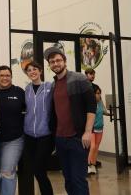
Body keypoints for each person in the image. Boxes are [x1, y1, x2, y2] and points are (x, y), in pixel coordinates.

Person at [45, 46, 96, 195]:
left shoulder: (79, 78)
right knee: (67, 178)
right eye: (52, 61)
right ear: (49, 65)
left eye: (58, 60)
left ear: (65, 61)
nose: (56, 64)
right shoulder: (53, 85)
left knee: (78, 179)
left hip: (78, 138)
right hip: (60, 139)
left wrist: (87, 132)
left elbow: (91, 106)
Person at [0, 65, 25, 195]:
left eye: (7, 75)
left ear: (11, 77)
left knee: (7, 172)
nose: (5, 78)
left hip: (14, 139)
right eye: (2, 75)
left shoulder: (19, 92)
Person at [23, 61, 54, 195]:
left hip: (45, 135)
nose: (32, 72)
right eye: (29, 70)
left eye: (35, 69)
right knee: (35, 170)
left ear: (40, 71)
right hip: (29, 136)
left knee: (39, 170)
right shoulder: (27, 90)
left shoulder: (49, 87)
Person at [87, 85, 110, 175]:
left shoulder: (100, 102)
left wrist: (111, 114)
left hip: (100, 128)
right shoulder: (90, 103)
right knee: (92, 147)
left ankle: (93, 164)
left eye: (100, 93)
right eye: (97, 93)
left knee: (96, 148)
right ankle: (88, 165)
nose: (99, 95)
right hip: (92, 128)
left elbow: (104, 111)